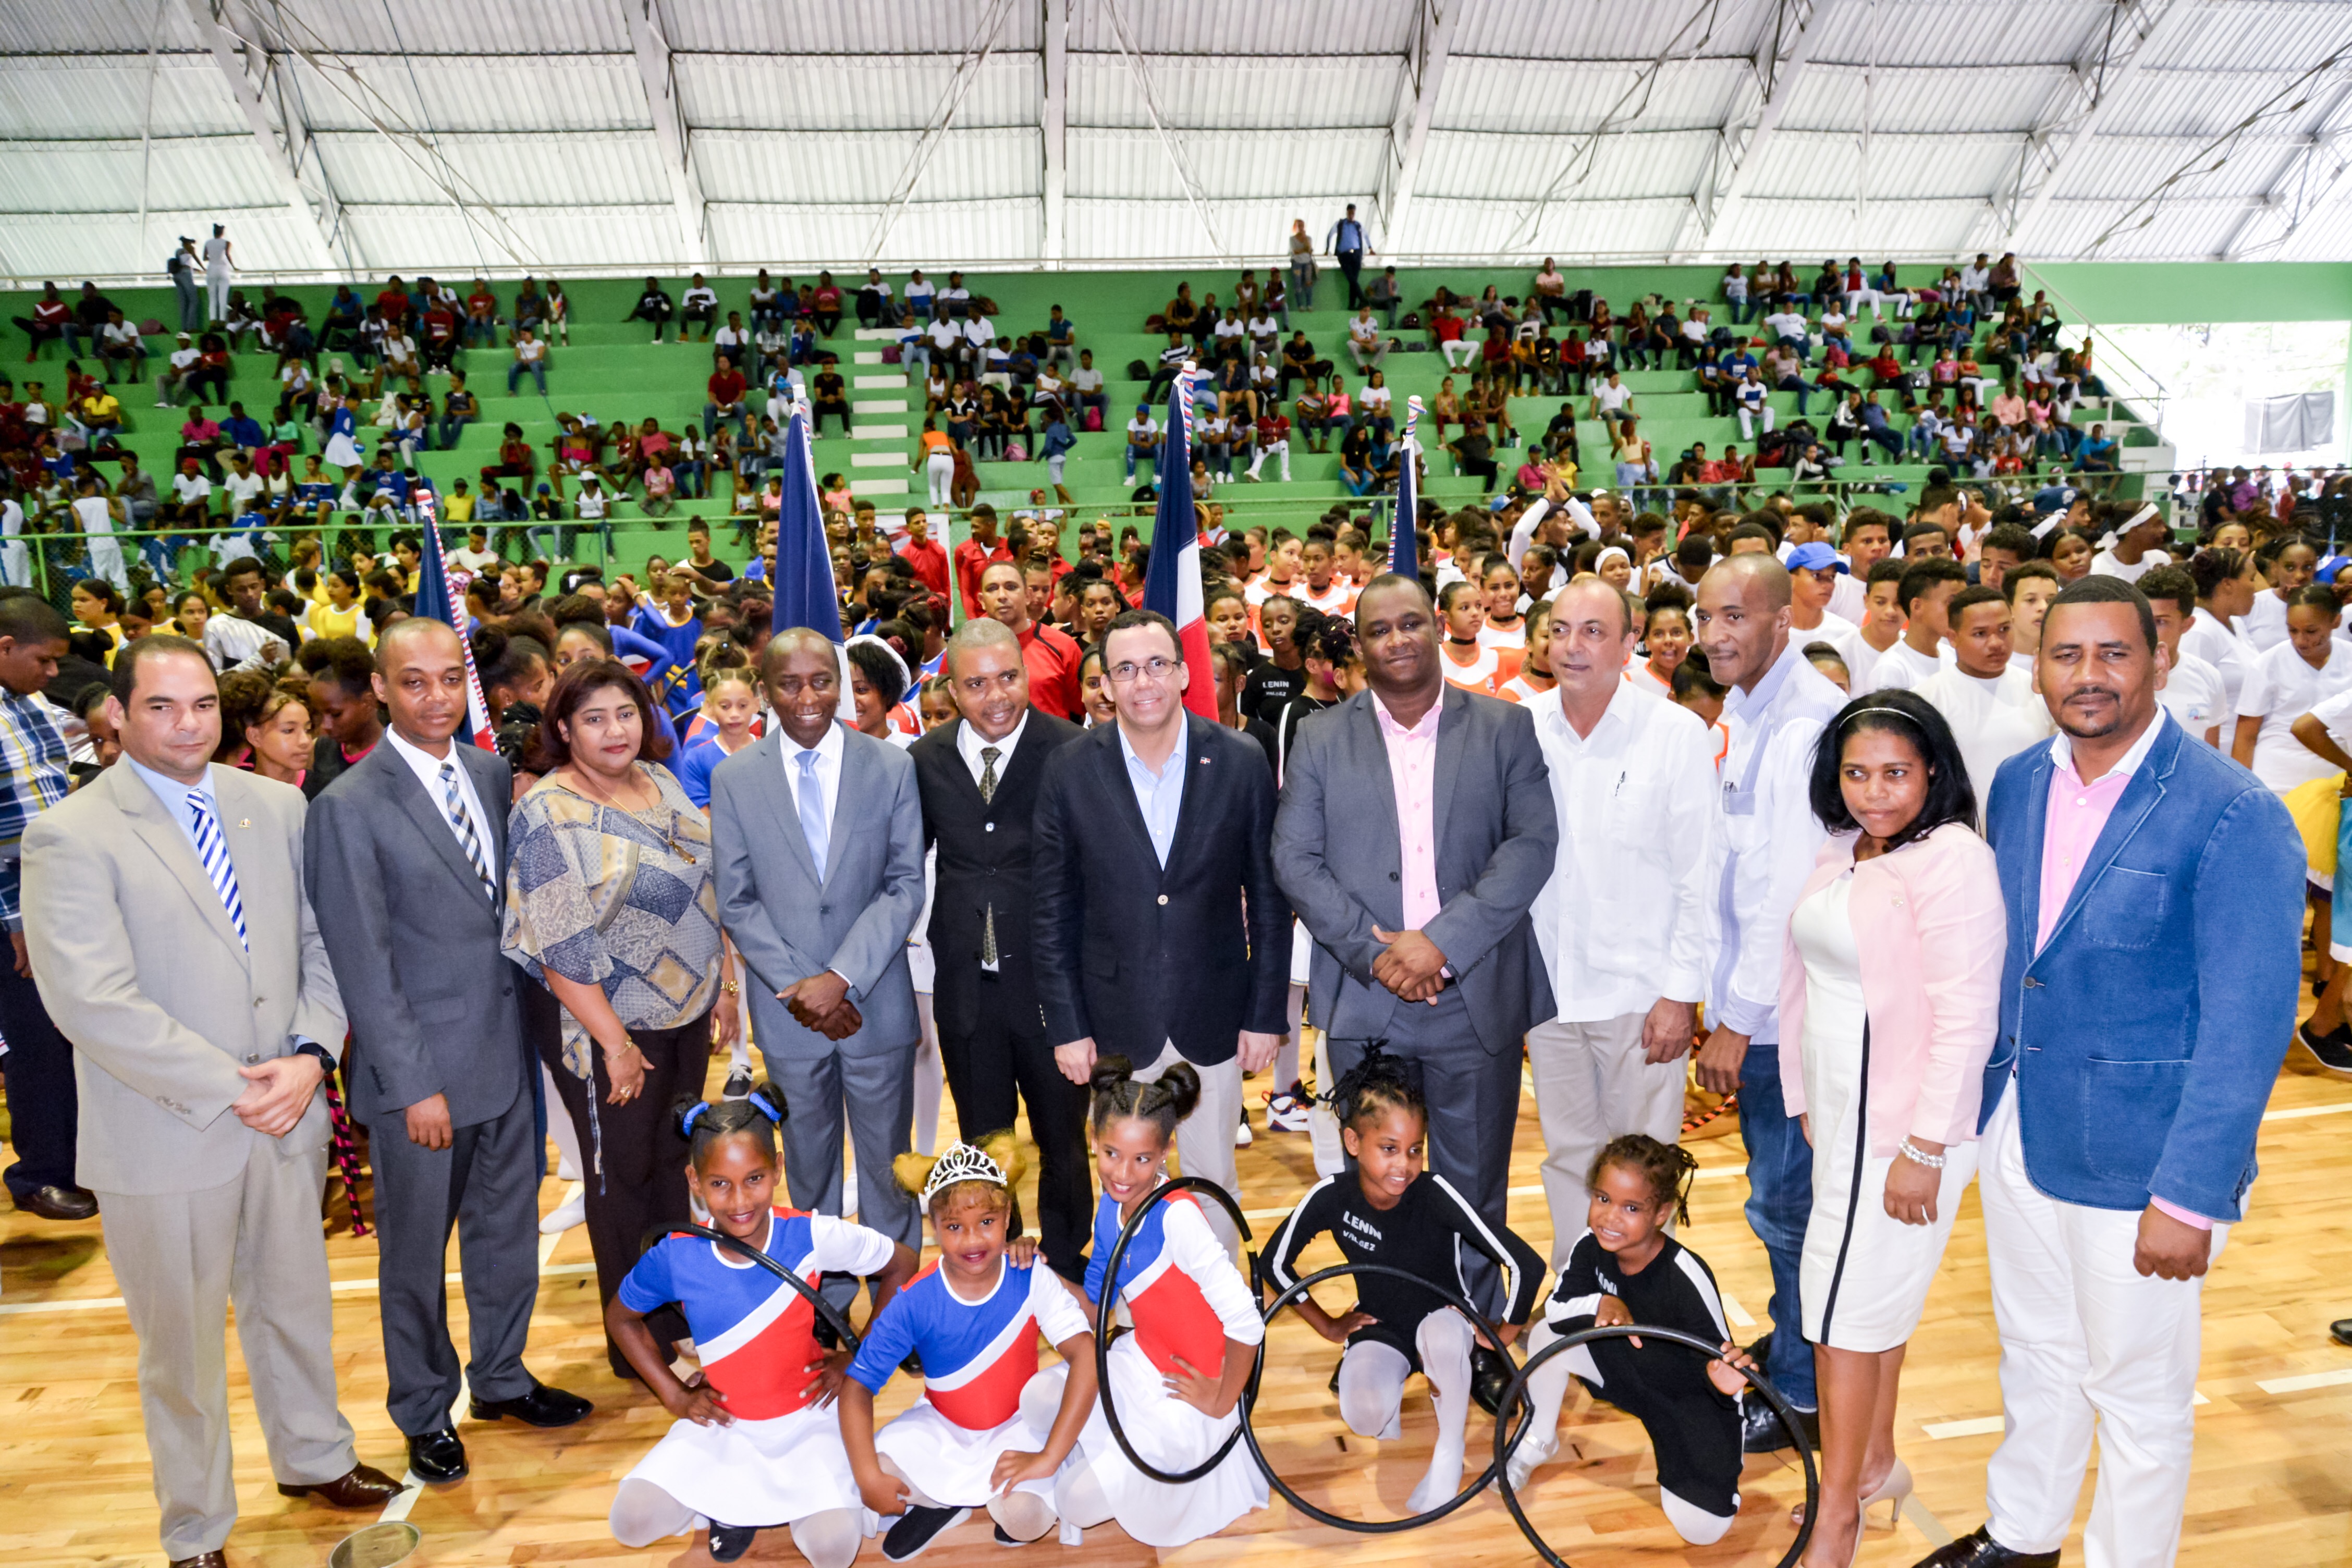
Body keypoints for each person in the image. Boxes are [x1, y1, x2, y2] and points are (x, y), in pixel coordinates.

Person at [1915, 577, 2301, 1568]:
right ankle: (2024, 1534)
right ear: (2037, 665)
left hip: (2140, 1161)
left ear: (2159, 662)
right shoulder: (2018, 782)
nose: (2088, 676)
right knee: (2037, 1354)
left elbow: (2247, 1024)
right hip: (2022, 1131)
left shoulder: (2232, 810)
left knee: (2137, 1394)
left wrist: (2190, 1192)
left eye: (2113, 654)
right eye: (2067, 655)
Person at [22, 636, 401, 1565]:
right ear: (116, 713)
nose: (187, 722)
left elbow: (323, 944)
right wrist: (240, 1085)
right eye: (162, 705)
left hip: (287, 1107)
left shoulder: (274, 806)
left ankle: (315, 1457)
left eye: (201, 704)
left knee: (295, 1306)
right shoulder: (71, 832)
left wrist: (312, 1055)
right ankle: (195, 1527)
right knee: (180, 1353)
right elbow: (91, 1001)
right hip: (166, 1128)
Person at [305, 618, 591, 1480]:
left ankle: (501, 1376)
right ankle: (423, 1408)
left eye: (447, 679)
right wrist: (411, 1080)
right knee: (416, 1253)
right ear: (382, 690)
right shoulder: (347, 806)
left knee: (504, 1232)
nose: (436, 697)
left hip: (505, 1055)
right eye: (414, 681)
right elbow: (362, 960)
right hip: (420, 1078)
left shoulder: (492, 771)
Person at [1271, 572, 1557, 1405]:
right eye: (1377, 630)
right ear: (1358, 645)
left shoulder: (1505, 726)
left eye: (1410, 624)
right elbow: (1296, 860)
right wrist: (1377, 953)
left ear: (1435, 629)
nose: (1396, 640)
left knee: (1474, 1185)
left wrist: (1442, 943)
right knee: (1380, 1187)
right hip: (1368, 1004)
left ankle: (1474, 1338)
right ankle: (1389, 1325)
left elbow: (1532, 846)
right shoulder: (1322, 739)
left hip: (1475, 994)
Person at [1784, 692, 2004, 1568]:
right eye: (1856, 772)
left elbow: (1965, 1017)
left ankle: (1836, 1514)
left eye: (1895, 773)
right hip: (1842, 1119)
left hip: (1904, 1134)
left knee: (1838, 1313)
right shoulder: (1845, 847)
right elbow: (1804, 977)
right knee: (1866, 1304)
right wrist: (1804, 1095)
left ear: (1933, 773)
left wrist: (1925, 1146)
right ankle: (1873, 1462)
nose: (1874, 792)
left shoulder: (1952, 859)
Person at [501, 659, 730, 1379]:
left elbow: (703, 884)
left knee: (672, 1165)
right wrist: (616, 1044)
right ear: (563, 728)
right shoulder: (546, 812)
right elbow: (562, 946)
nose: (613, 731)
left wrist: (721, 984)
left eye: (625, 714)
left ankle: (679, 1321)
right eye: (593, 718)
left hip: (685, 1012)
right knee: (623, 1178)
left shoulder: (660, 781)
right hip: (602, 1024)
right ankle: (641, 1346)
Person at [1033, 609, 1289, 1242]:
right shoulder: (1069, 769)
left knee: (1213, 1183)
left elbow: (1268, 895)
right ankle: (1133, 1324)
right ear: (1103, 685)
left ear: (1182, 673)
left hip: (1217, 1015)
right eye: (1124, 669)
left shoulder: (1238, 758)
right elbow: (1051, 911)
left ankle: (1219, 1330)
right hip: (1114, 1022)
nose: (1141, 680)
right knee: (1123, 1186)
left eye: (1156, 664)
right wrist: (1067, 1027)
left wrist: (1266, 1013)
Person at [605, 1084, 919, 1567]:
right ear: (694, 1179)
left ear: (777, 1168)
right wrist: (675, 1396)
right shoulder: (677, 1256)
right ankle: (730, 1503)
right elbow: (620, 1318)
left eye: (754, 1178)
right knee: (630, 1523)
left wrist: (859, 1358)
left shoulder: (811, 1234)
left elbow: (902, 1263)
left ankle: (736, 1506)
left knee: (835, 1551)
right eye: (719, 1184)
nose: (738, 1201)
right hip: (725, 1423)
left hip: (806, 1419)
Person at [708, 629, 927, 1312]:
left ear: (841, 682)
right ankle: (825, 1299)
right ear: (766, 692)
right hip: (789, 1011)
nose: (807, 698)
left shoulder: (890, 767)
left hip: (874, 1004)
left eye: (821, 681)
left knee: (890, 1167)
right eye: (790, 684)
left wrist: (842, 978)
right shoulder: (735, 777)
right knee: (808, 1166)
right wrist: (803, 987)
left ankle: (900, 1298)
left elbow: (903, 886)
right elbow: (738, 900)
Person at [1689, 553, 1846, 1450]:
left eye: (1735, 617)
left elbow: (1780, 893)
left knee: (1784, 1206)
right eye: (1706, 615)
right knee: (1779, 1199)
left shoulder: (1800, 726)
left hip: (1782, 1019)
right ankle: (1795, 1346)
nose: (1714, 634)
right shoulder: (1749, 714)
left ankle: (1802, 1391)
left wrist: (1736, 1017)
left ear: (1782, 620)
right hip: (1762, 1009)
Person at [1522, 579, 1719, 1267]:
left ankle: (1640, 1310)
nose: (1572, 646)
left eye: (1593, 631)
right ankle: (1579, 1305)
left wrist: (1680, 994)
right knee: (1570, 1163)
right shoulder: (1523, 725)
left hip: (1642, 999)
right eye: (1562, 628)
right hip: (1550, 993)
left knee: (1641, 1177)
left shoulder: (1674, 734)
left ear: (1631, 643)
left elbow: (1699, 876)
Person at [1263, 1047, 1545, 1511]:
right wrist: (1329, 1325)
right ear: (1354, 1143)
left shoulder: (1433, 1193)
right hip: (1383, 1324)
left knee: (1441, 1334)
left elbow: (1524, 1264)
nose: (1405, 1164)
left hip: (1444, 1324)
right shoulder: (1333, 1197)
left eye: (1416, 1149)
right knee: (1363, 1415)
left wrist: (1506, 1331)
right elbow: (1274, 1264)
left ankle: (1449, 1444)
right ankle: (1409, 1380)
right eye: (1389, 1149)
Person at [909, 619, 1089, 1277]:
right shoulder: (924, 760)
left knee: (1062, 1138)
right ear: (952, 688)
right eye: (976, 683)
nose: (996, 696)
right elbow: (903, 867)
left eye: (1008, 677)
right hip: (967, 985)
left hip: (1052, 987)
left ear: (1028, 674)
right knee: (984, 1139)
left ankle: (1068, 1260)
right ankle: (997, 1254)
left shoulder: (1073, 749)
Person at [1036, 1060, 1269, 1546]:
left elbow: (1248, 1320)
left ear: (1166, 1151)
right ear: (1094, 1140)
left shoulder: (1177, 1218)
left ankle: (1088, 1469)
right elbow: (1098, 1303)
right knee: (1036, 1397)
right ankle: (1085, 1462)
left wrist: (1223, 1398)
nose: (1123, 1173)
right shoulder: (1110, 1201)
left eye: (1142, 1159)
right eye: (1110, 1153)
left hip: (1190, 1385)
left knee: (1076, 1502)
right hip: (1143, 1359)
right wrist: (1034, 1271)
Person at [837, 1137, 1099, 1558]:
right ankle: (948, 1500)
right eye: (954, 1226)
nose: (972, 1240)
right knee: (878, 1472)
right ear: (934, 1226)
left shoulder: (1029, 1276)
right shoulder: (915, 1298)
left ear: (1008, 1216)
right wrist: (868, 1476)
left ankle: (996, 1483)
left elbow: (1085, 1354)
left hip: (1018, 1426)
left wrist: (1049, 1456)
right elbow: (857, 1387)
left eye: (987, 1222)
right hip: (943, 1426)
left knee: (1025, 1520)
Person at [1508, 1136, 1755, 1545]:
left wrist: (1724, 1387)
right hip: (1624, 1371)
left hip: (1682, 1398)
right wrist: (1602, 1301)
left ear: (1662, 1213)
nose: (1610, 1217)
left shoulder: (1687, 1277)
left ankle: (1713, 1472)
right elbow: (1556, 1308)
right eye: (1603, 1198)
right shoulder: (1590, 1246)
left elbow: (1721, 1362)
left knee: (1702, 1531)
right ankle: (1538, 1440)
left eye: (1631, 1208)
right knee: (1548, 1336)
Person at [0, 594, 90, 1221]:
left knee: (73, 1032)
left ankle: (79, 1156)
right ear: (5, 647)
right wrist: (17, 918)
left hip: (58, 897)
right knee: (36, 1042)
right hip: (13, 915)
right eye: (45, 659)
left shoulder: (30, 705)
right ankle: (38, 1173)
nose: (54, 673)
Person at [1914, 584, 2054, 811]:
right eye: (1980, 634)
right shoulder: (1926, 700)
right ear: (1953, 637)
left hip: (2029, 822)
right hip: (1957, 830)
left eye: (2004, 629)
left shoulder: (2040, 689)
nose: (1996, 643)